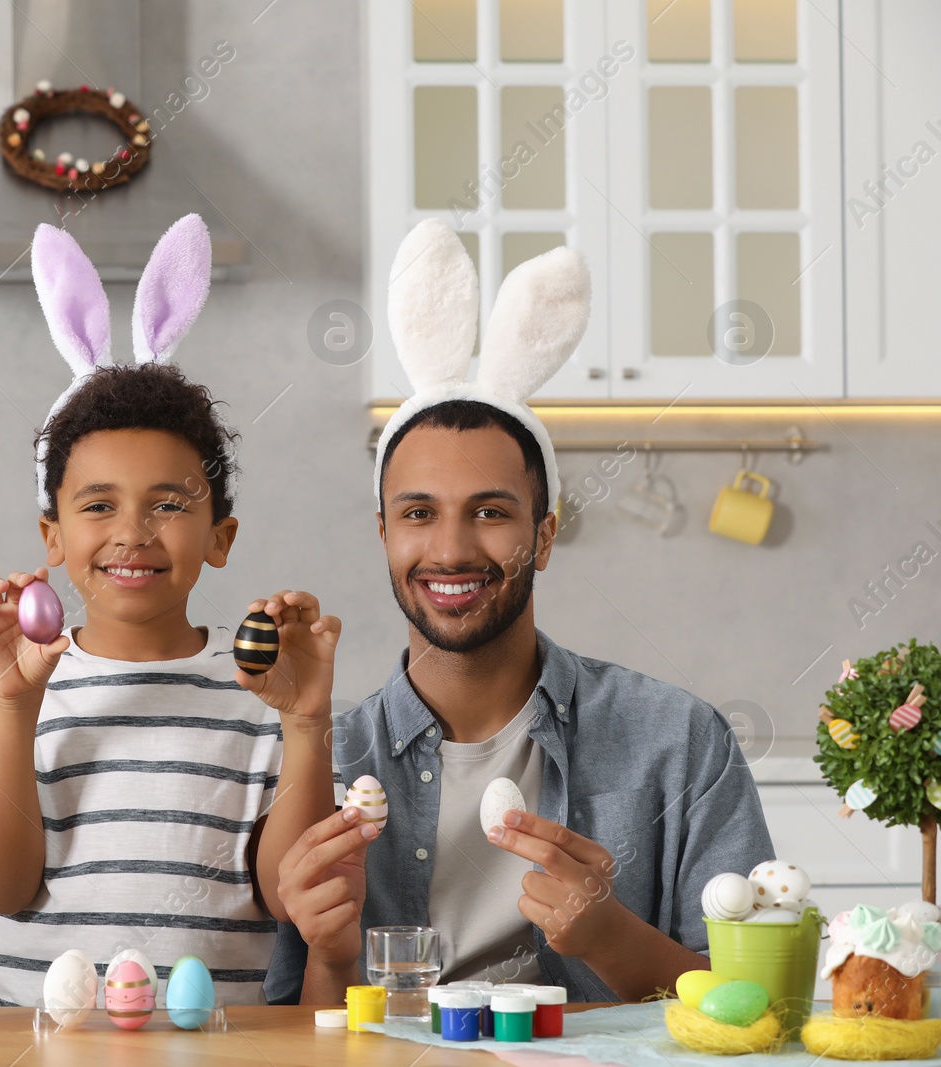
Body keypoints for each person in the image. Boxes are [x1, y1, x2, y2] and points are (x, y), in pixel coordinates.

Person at [267, 220, 773, 1005]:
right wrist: (331, 961)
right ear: (383, 534)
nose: (451, 548)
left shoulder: (679, 744)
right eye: (418, 513)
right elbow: (301, 1038)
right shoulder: (330, 764)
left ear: (544, 535)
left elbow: (758, 1009)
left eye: (491, 511)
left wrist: (611, 937)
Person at [0, 216, 340, 1005]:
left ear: (220, 536)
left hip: (223, 1057)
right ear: (51, 535)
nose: (132, 532)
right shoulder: (2, 681)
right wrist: (17, 704)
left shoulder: (264, 683)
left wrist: (305, 724)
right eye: (99, 505)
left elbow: (284, 895)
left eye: (170, 503)